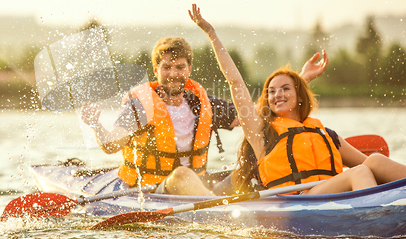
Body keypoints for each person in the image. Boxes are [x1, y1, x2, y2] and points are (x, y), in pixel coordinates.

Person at [189, 3, 406, 195]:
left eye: (285, 89)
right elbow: (235, 82)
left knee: (374, 161)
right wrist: (212, 35)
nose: (277, 95)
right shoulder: (261, 133)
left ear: (299, 95)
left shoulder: (325, 134)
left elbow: (370, 167)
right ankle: (376, 217)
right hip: (302, 200)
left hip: (333, 194)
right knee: (358, 174)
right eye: (271, 91)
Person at [81, 36, 328, 196]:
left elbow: (254, 114)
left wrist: (301, 79)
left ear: (189, 69)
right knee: (181, 175)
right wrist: (95, 125)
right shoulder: (140, 106)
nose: (173, 73)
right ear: (156, 70)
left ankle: (303, 196)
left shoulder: (202, 103)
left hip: (199, 189)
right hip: (151, 190)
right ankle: (222, 215)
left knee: (249, 169)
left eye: (179, 67)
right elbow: (111, 144)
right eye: (166, 67)